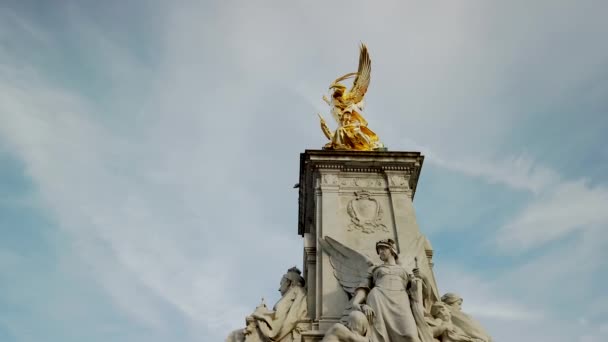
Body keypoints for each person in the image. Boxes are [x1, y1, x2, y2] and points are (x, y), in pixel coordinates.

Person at [350, 239, 421, 342]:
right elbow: (363, 287)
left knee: (411, 336)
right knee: (380, 337)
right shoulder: (374, 269)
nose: (380, 252)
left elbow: (414, 287)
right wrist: (357, 303)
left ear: (392, 250)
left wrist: (420, 278)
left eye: (383, 249)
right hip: (379, 298)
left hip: (401, 300)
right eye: (379, 250)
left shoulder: (404, 270)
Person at [226, 267, 308, 342]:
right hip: (276, 329)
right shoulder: (294, 293)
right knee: (235, 336)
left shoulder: (297, 292)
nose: (279, 289)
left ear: (289, 282)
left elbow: (291, 319)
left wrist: (261, 314)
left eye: (281, 283)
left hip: (282, 333)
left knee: (235, 336)